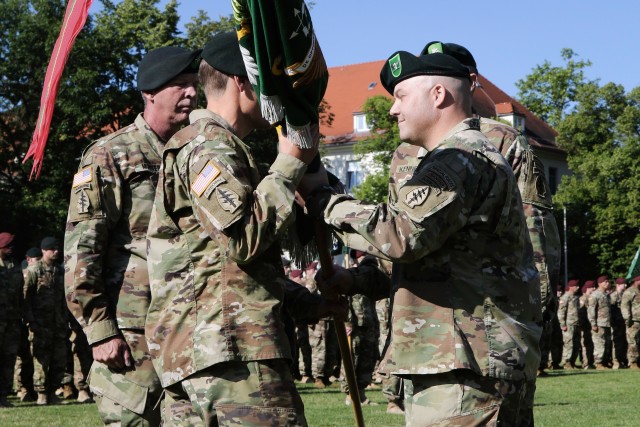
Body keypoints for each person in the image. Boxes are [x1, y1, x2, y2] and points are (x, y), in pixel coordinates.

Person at [307, 50, 541, 425]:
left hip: (467, 365)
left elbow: (401, 235)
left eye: (401, 97)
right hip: (457, 360)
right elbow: (416, 256)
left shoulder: (461, 158)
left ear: (438, 95)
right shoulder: (450, 158)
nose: (392, 110)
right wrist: (353, 278)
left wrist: (326, 203)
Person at [145, 32, 321, 426]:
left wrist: (307, 301)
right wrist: (291, 162)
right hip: (233, 356)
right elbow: (245, 239)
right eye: (271, 85)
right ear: (243, 82)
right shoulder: (209, 146)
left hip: (207, 353)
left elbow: (217, 266)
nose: (278, 100)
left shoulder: (209, 145)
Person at [64, 45, 201, 425]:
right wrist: (100, 329)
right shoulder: (110, 154)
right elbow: (82, 247)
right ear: (151, 92)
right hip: (130, 333)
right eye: (181, 85)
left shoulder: (197, 154)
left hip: (187, 329)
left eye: (194, 84)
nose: (192, 93)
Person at [23, 237, 68, 405]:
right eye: (52, 249)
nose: (56, 251)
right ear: (44, 250)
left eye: (57, 248)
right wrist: (31, 322)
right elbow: (26, 298)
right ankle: (41, 394)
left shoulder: (60, 271)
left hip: (58, 323)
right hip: (40, 324)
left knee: (59, 359)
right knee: (41, 360)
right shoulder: (34, 270)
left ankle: (54, 391)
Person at [341, 251, 380, 406]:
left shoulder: (371, 279)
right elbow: (342, 301)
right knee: (352, 360)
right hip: (355, 325)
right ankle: (350, 395)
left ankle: (361, 394)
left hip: (370, 324)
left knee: (367, 360)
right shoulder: (350, 276)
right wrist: (345, 322)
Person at [14, 247, 41, 402]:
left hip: (28, 320)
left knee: (29, 356)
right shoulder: (26, 273)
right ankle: (22, 388)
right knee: (22, 357)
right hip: (19, 321)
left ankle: (29, 389)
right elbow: (24, 297)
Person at [0, 232, 23, 408]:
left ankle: (3, 396)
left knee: (9, 358)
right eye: (8, 246)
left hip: (12, 321)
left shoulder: (14, 267)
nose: (11, 249)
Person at [588, 275, 613, 369]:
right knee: (599, 343)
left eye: (608, 281)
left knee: (607, 343)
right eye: (605, 282)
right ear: (599, 283)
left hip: (606, 323)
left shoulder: (606, 295)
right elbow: (591, 310)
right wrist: (593, 324)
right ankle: (598, 363)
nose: (607, 283)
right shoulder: (595, 295)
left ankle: (604, 362)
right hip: (599, 323)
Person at [558, 279, 582, 368]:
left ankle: (572, 362)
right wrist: (562, 324)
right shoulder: (565, 297)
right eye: (576, 286)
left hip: (576, 324)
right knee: (569, 343)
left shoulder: (575, 297)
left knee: (576, 343)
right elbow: (561, 312)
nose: (578, 287)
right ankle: (566, 362)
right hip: (568, 324)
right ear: (571, 287)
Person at [621, 275, 640, 369]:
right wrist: (627, 319)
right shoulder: (629, 291)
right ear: (637, 281)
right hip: (633, 321)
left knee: (638, 342)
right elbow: (624, 306)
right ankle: (633, 362)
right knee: (632, 342)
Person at [609, 277, 629, 369]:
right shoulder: (613, 296)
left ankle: (622, 360)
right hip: (615, 323)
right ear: (617, 285)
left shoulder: (624, 295)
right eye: (623, 284)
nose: (625, 285)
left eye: (625, 284)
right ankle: (615, 361)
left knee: (623, 342)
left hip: (622, 322)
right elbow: (610, 310)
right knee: (616, 343)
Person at [579, 281, 596, 369]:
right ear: (586, 289)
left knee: (590, 345)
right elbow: (581, 313)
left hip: (590, 325)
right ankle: (586, 363)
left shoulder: (592, 298)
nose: (594, 289)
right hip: (585, 326)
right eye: (592, 287)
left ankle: (590, 362)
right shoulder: (583, 299)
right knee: (585, 345)